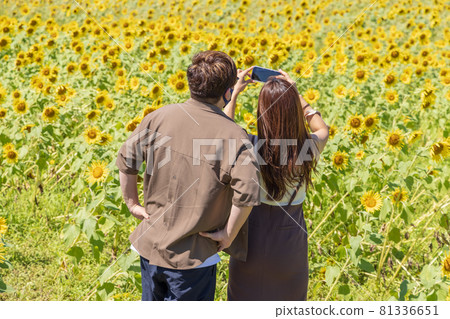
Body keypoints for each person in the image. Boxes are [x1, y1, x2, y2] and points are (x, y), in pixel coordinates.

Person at [116, 51, 260, 301]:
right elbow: (247, 192)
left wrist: (132, 203)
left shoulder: (159, 116)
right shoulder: (235, 136)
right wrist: (229, 234)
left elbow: (127, 160)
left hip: (150, 245)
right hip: (193, 258)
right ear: (227, 93)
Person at [219, 69, 329, 300]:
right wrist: (297, 97)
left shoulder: (250, 145)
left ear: (262, 112)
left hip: (251, 234)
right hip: (291, 237)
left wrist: (234, 93)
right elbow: (323, 129)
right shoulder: (307, 148)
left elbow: (225, 129)